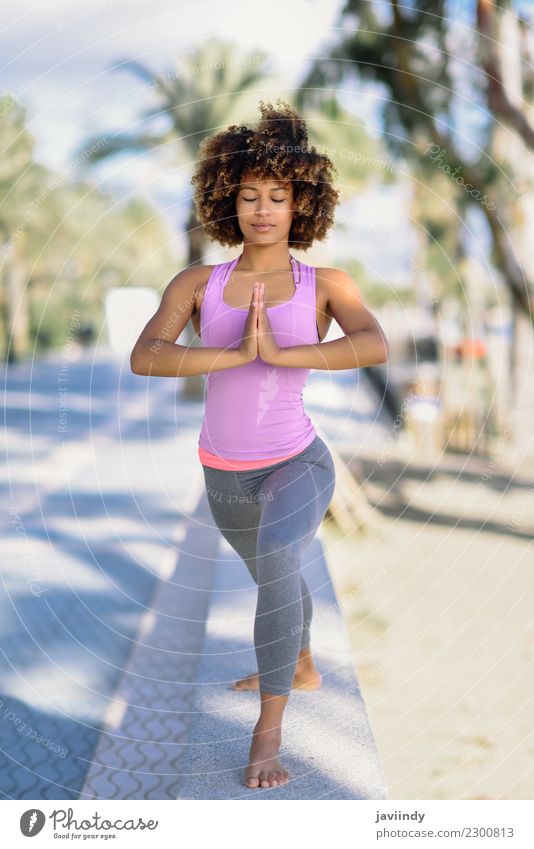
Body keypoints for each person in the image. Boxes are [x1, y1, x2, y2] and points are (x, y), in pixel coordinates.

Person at [130, 99, 389, 790]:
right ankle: (299, 661)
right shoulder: (198, 283)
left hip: (297, 461)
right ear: (228, 200)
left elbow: (374, 342)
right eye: (249, 195)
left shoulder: (325, 284)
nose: (264, 209)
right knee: (275, 574)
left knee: (278, 556)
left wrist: (287, 350)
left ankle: (268, 730)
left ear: (303, 203)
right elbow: (145, 354)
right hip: (223, 474)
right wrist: (233, 354)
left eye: (279, 195)